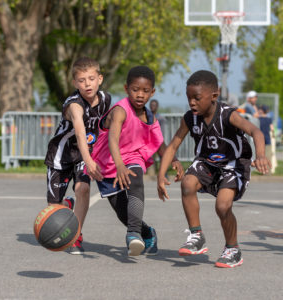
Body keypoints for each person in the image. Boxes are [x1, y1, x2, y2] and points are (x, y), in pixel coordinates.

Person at [157, 70, 270, 268]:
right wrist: (160, 175)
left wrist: (260, 155)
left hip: (233, 164)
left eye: (197, 98)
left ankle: (233, 249)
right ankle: (196, 236)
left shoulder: (228, 115)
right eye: (189, 97)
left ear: (214, 96)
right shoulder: (189, 118)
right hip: (208, 162)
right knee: (187, 184)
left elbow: (255, 131)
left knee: (223, 206)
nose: (192, 102)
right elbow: (173, 145)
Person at [91, 66, 183, 256]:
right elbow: (112, 140)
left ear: (152, 92)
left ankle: (133, 234)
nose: (140, 95)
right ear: (126, 89)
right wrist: (119, 166)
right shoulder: (120, 111)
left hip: (133, 157)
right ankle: (147, 232)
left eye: (145, 91)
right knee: (122, 212)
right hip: (110, 161)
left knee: (136, 183)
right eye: (135, 89)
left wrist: (173, 159)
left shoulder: (149, 116)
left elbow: (159, 143)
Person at [44, 57, 111, 255]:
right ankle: (66, 204)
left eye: (91, 78)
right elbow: (80, 133)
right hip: (61, 156)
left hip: (84, 155)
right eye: (81, 80)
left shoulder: (106, 99)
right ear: (75, 83)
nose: (87, 84)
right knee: (53, 209)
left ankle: (76, 235)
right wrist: (90, 162)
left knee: (83, 189)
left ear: (100, 78)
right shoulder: (74, 105)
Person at [258, 105, 276, 173]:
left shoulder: (258, 119)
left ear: (262, 111)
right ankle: (268, 170)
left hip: (260, 140)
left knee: (261, 156)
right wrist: (273, 135)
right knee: (268, 155)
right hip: (267, 139)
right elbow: (272, 129)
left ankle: (262, 170)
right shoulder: (269, 119)